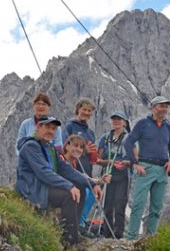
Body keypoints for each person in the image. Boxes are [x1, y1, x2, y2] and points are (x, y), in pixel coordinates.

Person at [15, 116, 91, 246]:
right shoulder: (31, 146)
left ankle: (74, 231)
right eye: (47, 127)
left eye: (53, 128)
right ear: (38, 128)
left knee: (81, 189)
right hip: (32, 189)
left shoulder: (48, 147)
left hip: (43, 187)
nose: (51, 131)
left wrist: (92, 183)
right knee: (69, 196)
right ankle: (71, 242)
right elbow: (44, 173)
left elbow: (66, 169)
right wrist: (68, 186)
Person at [123, 96, 170, 240]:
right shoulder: (142, 124)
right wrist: (135, 163)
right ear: (153, 107)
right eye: (161, 106)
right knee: (138, 204)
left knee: (157, 207)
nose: (164, 109)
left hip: (162, 170)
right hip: (145, 167)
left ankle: (151, 238)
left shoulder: (168, 128)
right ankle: (131, 238)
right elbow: (128, 142)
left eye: (166, 106)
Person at [63, 98, 100, 228]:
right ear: (78, 110)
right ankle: (75, 225)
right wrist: (85, 150)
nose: (86, 113)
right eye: (84, 109)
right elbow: (65, 147)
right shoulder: (70, 126)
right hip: (74, 169)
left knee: (90, 196)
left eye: (89, 111)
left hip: (87, 169)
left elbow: (91, 155)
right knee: (80, 197)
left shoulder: (90, 132)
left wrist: (93, 155)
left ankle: (81, 224)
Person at [96, 110, 131, 238]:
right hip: (107, 175)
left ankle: (118, 234)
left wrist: (125, 164)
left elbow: (134, 159)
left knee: (120, 204)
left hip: (123, 176)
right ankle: (107, 233)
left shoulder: (129, 139)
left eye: (119, 119)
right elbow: (97, 159)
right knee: (107, 205)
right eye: (114, 119)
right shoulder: (105, 138)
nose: (116, 121)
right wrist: (108, 162)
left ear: (124, 123)